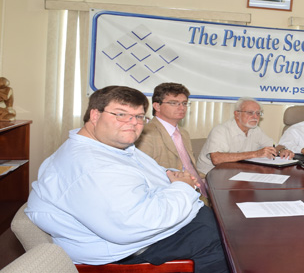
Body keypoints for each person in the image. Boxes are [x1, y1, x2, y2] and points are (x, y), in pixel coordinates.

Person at [25, 86, 228, 272]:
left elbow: (150, 172)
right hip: (130, 249)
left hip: (152, 228)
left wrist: (171, 175)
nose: (133, 123)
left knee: (226, 229)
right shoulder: (92, 167)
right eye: (121, 114)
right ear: (95, 115)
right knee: (227, 245)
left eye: (139, 116)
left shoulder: (112, 147)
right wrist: (182, 187)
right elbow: (136, 225)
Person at [135, 82, 207, 199]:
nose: (181, 107)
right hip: (173, 195)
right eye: (173, 103)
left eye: (184, 103)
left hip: (198, 188)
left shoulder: (183, 133)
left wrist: (206, 180)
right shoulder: (146, 134)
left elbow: (189, 167)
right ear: (157, 106)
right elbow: (144, 176)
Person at [197, 97, 293, 174]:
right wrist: (256, 153)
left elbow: (274, 146)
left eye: (258, 113)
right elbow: (217, 159)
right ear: (236, 114)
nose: (255, 117)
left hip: (238, 173)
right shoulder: (221, 130)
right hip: (210, 176)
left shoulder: (256, 130)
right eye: (250, 113)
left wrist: (282, 150)